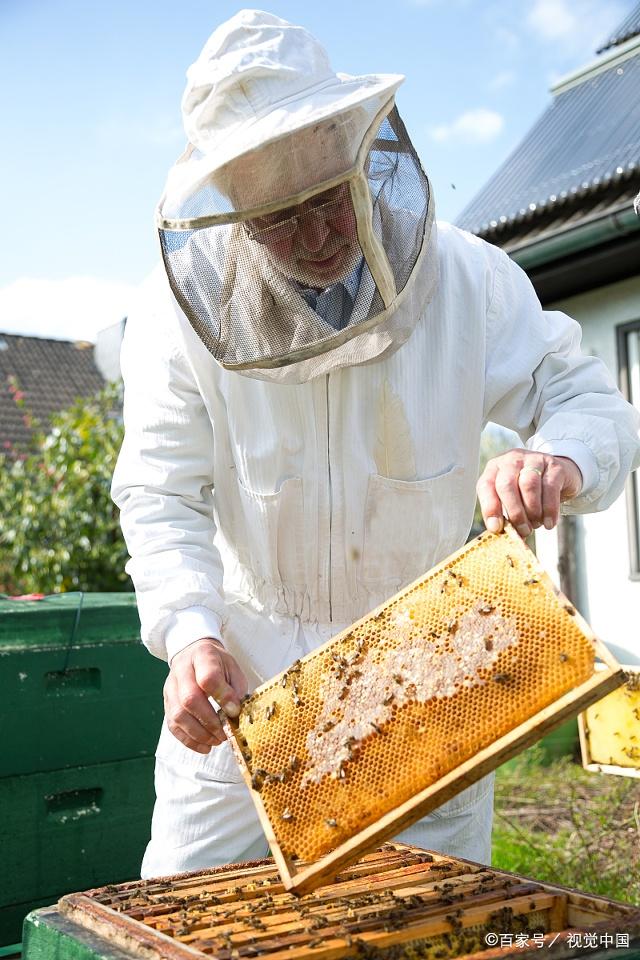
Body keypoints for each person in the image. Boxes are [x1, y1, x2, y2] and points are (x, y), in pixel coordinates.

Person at [111, 9, 640, 877]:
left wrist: (559, 457)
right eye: (278, 220)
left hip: (430, 676)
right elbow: (161, 491)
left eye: (328, 199)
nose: (316, 237)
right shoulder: (172, 323)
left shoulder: (467, 278)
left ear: (362, 159)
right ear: (231, 213)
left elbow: (588, 400)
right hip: (247, 691)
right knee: (182, 917)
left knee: (421, 921)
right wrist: (189, 633)